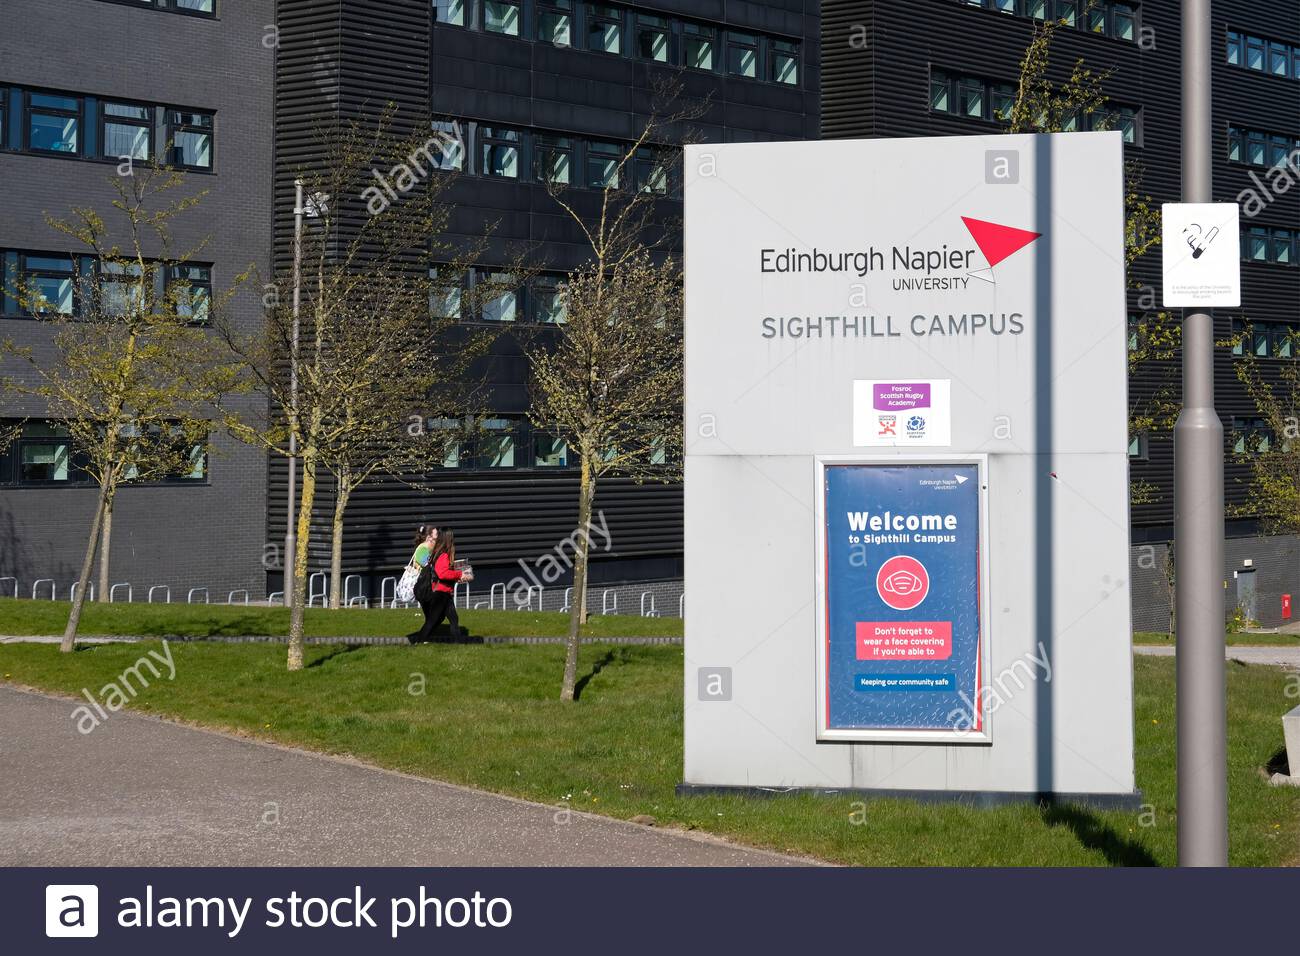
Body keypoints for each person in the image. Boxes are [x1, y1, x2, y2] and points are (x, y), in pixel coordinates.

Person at [411, 529, 472, 643]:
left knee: (452, 619)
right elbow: (442, 573)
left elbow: (443, 573)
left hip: (444, 592)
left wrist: (457, 577)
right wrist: (459, 574)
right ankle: (419, 641)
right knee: (433, 620)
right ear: (449, 539)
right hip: (440, 593)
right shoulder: (443, 554)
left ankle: (459, 643)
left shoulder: (438, 552)